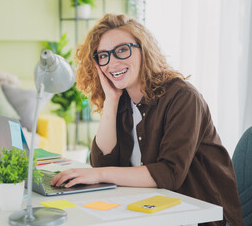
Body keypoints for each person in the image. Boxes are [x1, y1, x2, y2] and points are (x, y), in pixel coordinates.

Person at [50, 14, 242, 226]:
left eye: (122, 50)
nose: (112, 62)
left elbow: (169, 174)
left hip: (200, 216)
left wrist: (97, 174)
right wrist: (111, 102)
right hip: (151, 212)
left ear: (144, 50)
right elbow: (103, 163)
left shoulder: (183, 97)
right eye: (103, 55)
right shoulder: (121, 99)